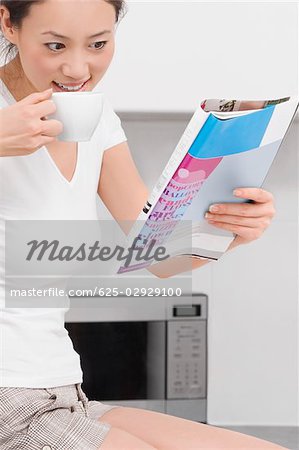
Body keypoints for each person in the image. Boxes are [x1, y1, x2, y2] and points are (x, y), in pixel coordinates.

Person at [0, 1, 285, 449]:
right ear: (8, 24)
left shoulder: (95, 119)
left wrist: (229, 230)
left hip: (62, 392)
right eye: (55, 45)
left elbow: (157, 256)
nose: (78, 68)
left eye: (98, 44)